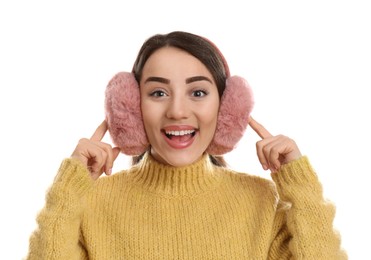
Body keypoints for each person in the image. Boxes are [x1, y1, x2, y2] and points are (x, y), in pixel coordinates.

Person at [26, 31, 347, 259]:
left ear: (227, 108)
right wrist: (68, 191)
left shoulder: (262, 202)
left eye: (197, 92)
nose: (178, 111)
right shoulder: (90, 204)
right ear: (131, 106)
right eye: (158, 93)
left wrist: (301, 187)